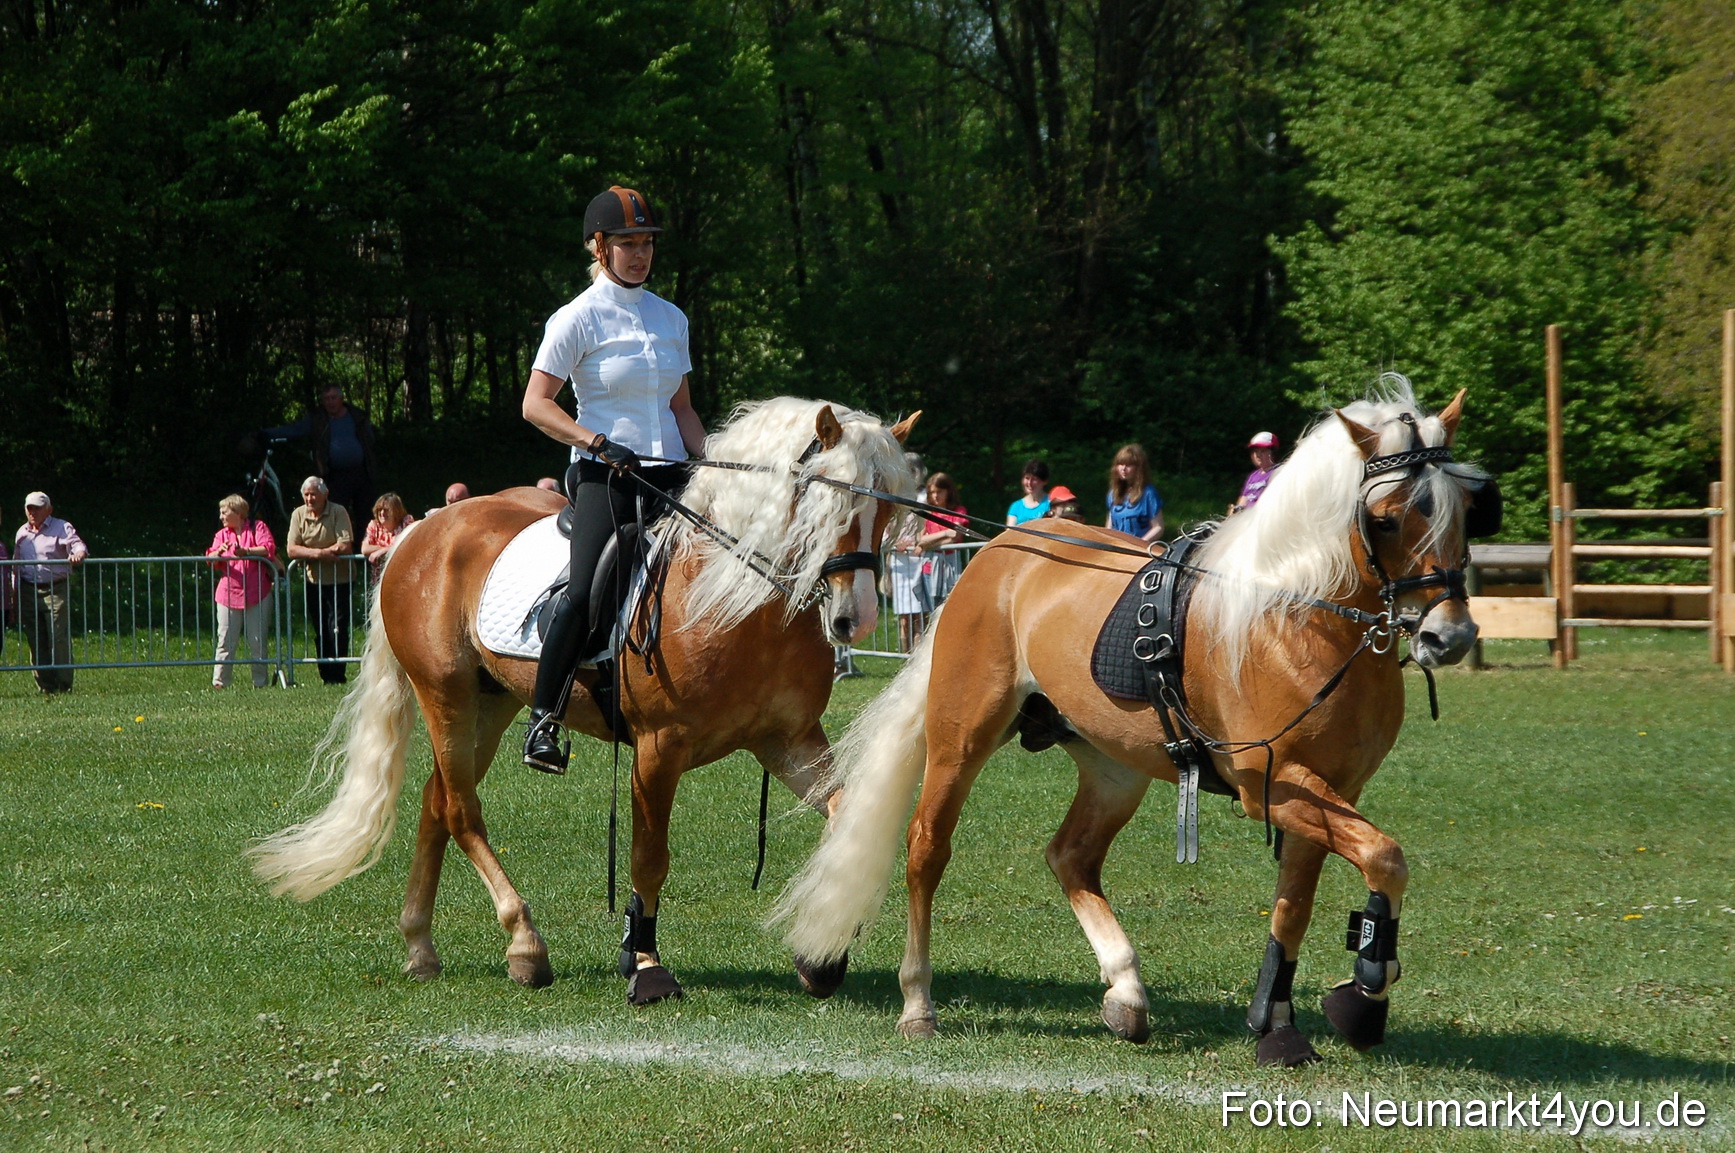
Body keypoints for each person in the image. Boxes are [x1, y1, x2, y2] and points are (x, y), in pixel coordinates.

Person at [519, 184, 707, 774]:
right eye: (627, 243)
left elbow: (682, 410)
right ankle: (544, 720)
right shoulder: (575, 318)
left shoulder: (671, 318)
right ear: (598, 247)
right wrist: (596, 441)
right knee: (587, 588)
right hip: (607, 475)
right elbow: (536, 404)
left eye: (646, 243)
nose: (640, 253)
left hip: (673, 474)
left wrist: (714, 460)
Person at [261, 384, 379, 529]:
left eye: (333, 398)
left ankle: (363, 548)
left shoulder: (357, 416)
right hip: (334, 475)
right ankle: (340, 549)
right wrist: (264, 433)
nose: (330, 402)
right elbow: (294, 430)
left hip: (362, 473)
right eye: (326, 399)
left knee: (365, 515)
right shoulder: (318, 419)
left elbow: (371, 440)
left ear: (341, 399)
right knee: (336, 515)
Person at [285, 476, 356, 685]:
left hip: (340, 579)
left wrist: (309, 553)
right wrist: (321, 554)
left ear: (325, 495)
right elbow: (291, 549)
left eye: (313, 494)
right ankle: (326, 674)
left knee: (339, 626)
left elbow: (345, 545)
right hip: (314, 581)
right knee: (321, 628)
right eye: (306, 495)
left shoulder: (338, 512)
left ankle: (338, 673)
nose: (309, 498)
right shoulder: (298, 514)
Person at [13, 491, 86, 692]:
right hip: (28, 589)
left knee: (58, 636)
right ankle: (45, 685)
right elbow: (16, 565)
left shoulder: (61, 527)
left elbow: (77, 545)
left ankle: (63, 684)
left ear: (49, 510)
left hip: (56, 589)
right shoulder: (22, 533)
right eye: (29, 508)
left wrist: (78, 554)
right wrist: (13, 593)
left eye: (37, 508)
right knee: (35, 637)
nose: (32, 512)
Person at [205, 494, 279, 689]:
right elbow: (210, 557)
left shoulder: (258, 527)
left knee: (257, 641)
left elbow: (268, 548)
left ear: (237, 512)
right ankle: (220, 682)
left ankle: (260, 683)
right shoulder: (221, 535)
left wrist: (246, 551)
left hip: (258, 592)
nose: (221, 516)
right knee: (226, 640)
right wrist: (218, 553)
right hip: (228, 594)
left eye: (224, 512)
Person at [885, 454, 930, 653]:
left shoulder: (924, 497)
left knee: (921, 615)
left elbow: (929, 525)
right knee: (904, 617)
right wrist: (893, 542)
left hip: (919, 558)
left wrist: (915, 542)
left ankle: (918, 658)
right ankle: (905, 658)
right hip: (899, 561)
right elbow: (886, 526)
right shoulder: (895, 495)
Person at [918, 473, 968, 609]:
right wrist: (945, 533)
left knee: (952, 606)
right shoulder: (928, 513)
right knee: (933, 607)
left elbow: (955, 537)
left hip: (951, 564)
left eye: (939, 492)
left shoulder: (958, 511)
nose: (935, 496)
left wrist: (929, 545)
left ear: (948, 491)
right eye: (932, 492)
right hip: (930, 566)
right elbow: (920, 539)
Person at [1105, 443, 1164, 542]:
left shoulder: (1148, 493)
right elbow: (1109, 527)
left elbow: (1158, 527)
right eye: (1120, 464)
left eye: (1129, 465)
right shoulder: (1113, 494)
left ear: (1139, 469)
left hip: (1139, 550)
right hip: (1116, 549)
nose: (1123, 469)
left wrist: (1139, 544)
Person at [360, 493, 415, 584]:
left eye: (386, 510)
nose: (382, 513)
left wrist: (384, 551)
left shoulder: (406, 522)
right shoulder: (374, 525)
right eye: (379, 510)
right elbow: (365, 549)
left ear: (396, 511)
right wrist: (390, 549)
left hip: (403, 577)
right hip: (380, 579)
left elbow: (409, 545)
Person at [1232, 431, 1279, 514]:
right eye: (1255, 451)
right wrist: (1236, 509)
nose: (1258, 455)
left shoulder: (1278, 472)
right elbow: (1243, 500)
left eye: (1263, 451)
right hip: (1246, 517)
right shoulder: (1253, 476)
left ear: (1272, 452)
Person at [1005, 459, 1051, 525]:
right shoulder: (1016, 507)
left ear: (1045, 481)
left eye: (1034, 479)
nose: (1029, 483)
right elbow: (1009, 533)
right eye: (1027, 478)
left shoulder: (1052, 503)